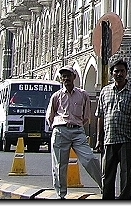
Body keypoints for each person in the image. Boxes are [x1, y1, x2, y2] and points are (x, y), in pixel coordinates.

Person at [46, 66, 103, 199]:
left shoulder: (83, 95)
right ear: (61, 79)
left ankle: (104, 186)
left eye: (68, 76)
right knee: (60, 165)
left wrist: (76, 126)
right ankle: (61, 195)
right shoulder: (56, 96)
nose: (66, 78)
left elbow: (86, 116)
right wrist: (58, 128)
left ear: (74, 77)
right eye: (63, 76)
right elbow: (50, 116)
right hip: (60, 130)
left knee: (90, 159)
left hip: (77, 131)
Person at [94, 58, 131, 200]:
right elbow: (100, 116)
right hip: (109, 139)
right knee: (107, 175)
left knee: (127, 175)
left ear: (126, 73)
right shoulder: (105, 91)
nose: (119, 74)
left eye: (122, 71)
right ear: (111, 73)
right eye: (116, 71)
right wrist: (99, 139)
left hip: (128, 139)